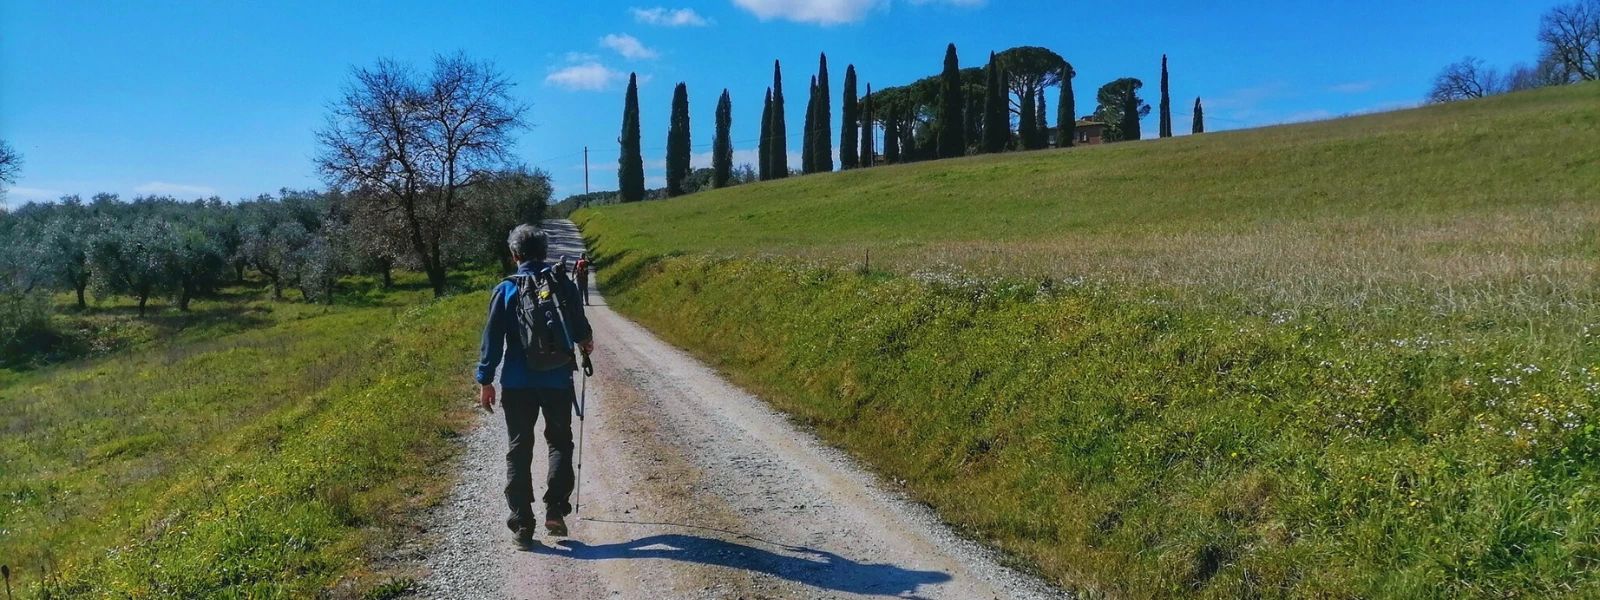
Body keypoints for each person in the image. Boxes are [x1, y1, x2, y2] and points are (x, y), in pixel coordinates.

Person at [476, 225, 594, 545]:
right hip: (556, 379)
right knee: (559, 442)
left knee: (519, 449)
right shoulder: (562, 283)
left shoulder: (506, 289)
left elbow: (492, 340)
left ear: (514, 256)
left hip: (517, 382)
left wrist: (485, 380)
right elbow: (580, 326)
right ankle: (555, 508)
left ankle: (522, 524)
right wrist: (585, 342)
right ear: (544, 253)